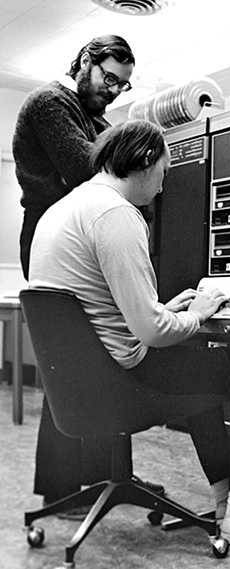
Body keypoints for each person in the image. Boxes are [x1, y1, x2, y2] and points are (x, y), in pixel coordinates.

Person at [27, 118, 230, 544]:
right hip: (124, 378)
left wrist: (165, 310)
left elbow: (100, 307)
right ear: (143, 161)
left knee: (198, 369)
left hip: (84, 383)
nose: (161, 186)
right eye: (163, 172)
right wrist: (197, 314)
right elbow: (153, 333)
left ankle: (225, 501)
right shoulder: (116, 215)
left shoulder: (62, 210)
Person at [12, 35, 163, 517]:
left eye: (122, 84)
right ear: (84, 62)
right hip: (58, 241)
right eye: (108, 77)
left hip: (83, 237)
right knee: (72, 364)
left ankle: (103, 479)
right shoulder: (51, 103)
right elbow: (89, 170)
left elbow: (120, 178)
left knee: (99, 356)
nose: (113, 90)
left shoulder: (91, 115)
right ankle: (63, 491)